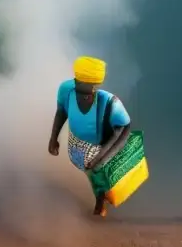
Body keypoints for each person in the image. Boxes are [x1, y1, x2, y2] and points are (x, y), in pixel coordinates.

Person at [48, 56, 132, 217]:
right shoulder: (66, 91)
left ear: (95, 87)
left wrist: (103, 156)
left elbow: (124, 127)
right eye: (78, 88)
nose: (83, 97)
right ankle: (96, 188)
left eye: (89, 92)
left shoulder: (110, 102)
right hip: (76, 143)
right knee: (87, 166)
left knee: (96, 167)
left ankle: (100, 202)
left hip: (104, 140)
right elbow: (61, 112)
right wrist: (53, 139)